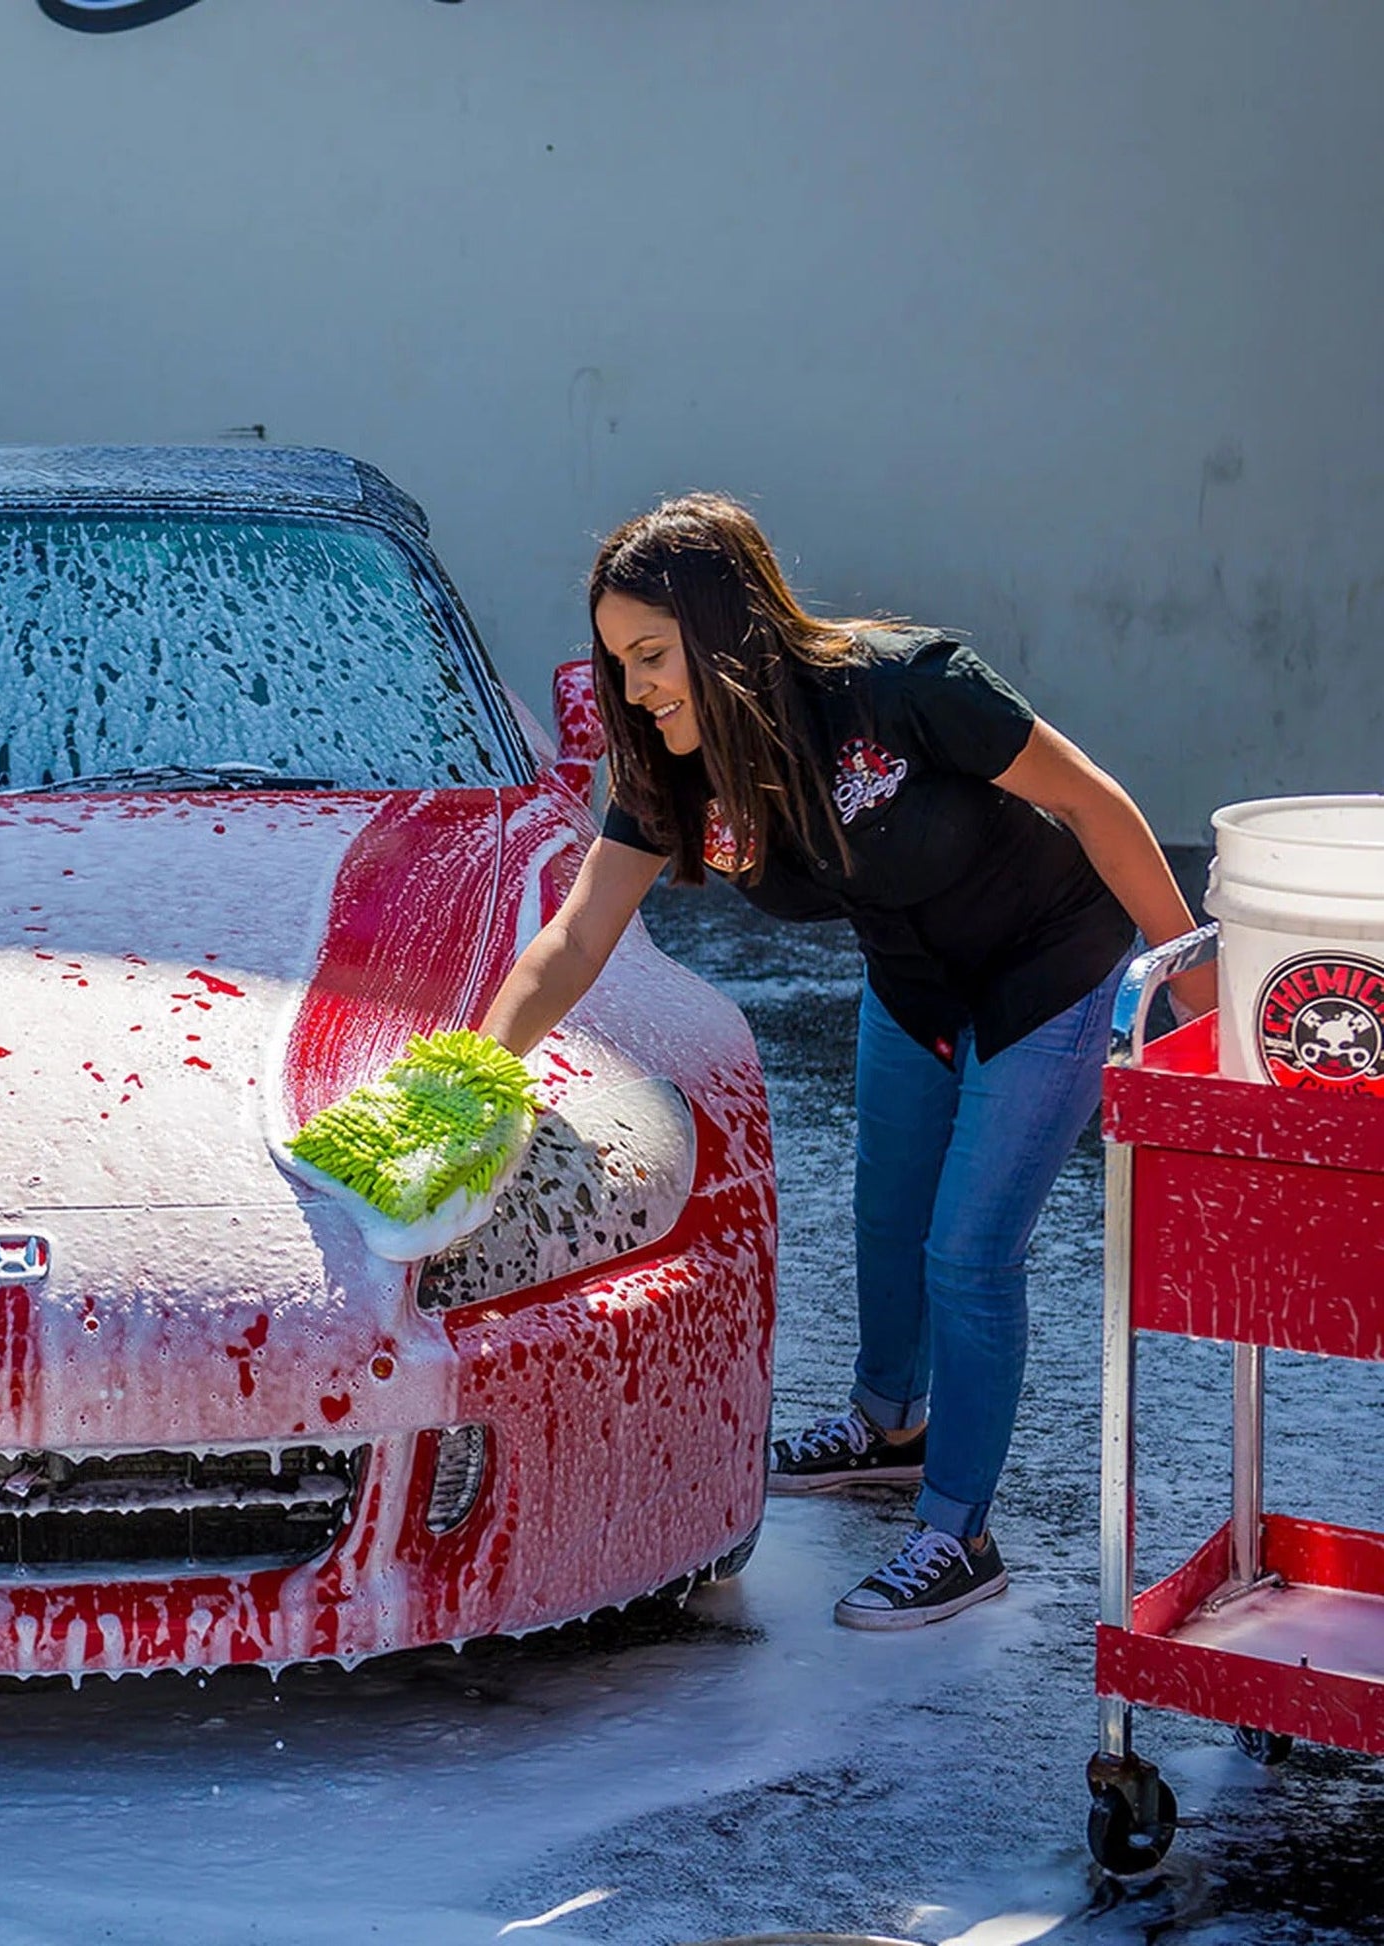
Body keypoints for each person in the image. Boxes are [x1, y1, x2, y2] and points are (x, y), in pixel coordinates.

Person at [479, 493, 1213, 1631]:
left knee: (967, 1255)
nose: (635, 687)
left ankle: (958, 1531)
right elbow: (575, 937)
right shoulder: (672, 769)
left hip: (1048, 969)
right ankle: (887, 1424)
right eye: (617, 662)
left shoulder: (901, 683)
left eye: (652, 654)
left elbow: (1089, 800)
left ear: (723, 626)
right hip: (912, 986)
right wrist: (467, 1074)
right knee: (886, 1218)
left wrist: (1190, 978)